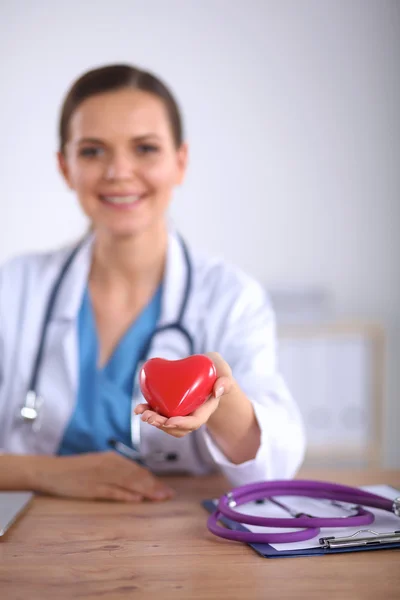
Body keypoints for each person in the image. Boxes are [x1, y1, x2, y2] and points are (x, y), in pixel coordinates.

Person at [0, 64, 305, 503]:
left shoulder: (231, 297)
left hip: (182, 541)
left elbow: (272, 463)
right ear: (64, 167)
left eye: (144, 148)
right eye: (92, 151)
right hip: (34, 539)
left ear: (180, 163)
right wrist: (49, 473)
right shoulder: (16, 287)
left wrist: (222, 396)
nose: (119, 171)